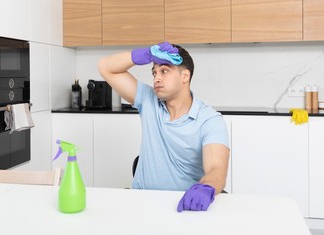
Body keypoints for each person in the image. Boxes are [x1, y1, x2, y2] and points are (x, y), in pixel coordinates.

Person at [98, 42, 230, 212]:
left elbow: (216, 170)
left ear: (185, 76)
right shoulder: (148, 100)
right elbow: (105, 67)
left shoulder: (209, 120)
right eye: (154, 72)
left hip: (183, 206)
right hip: (141, 203)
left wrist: (206, 188)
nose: (156, 78)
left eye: (164, 71)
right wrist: (144, 54)